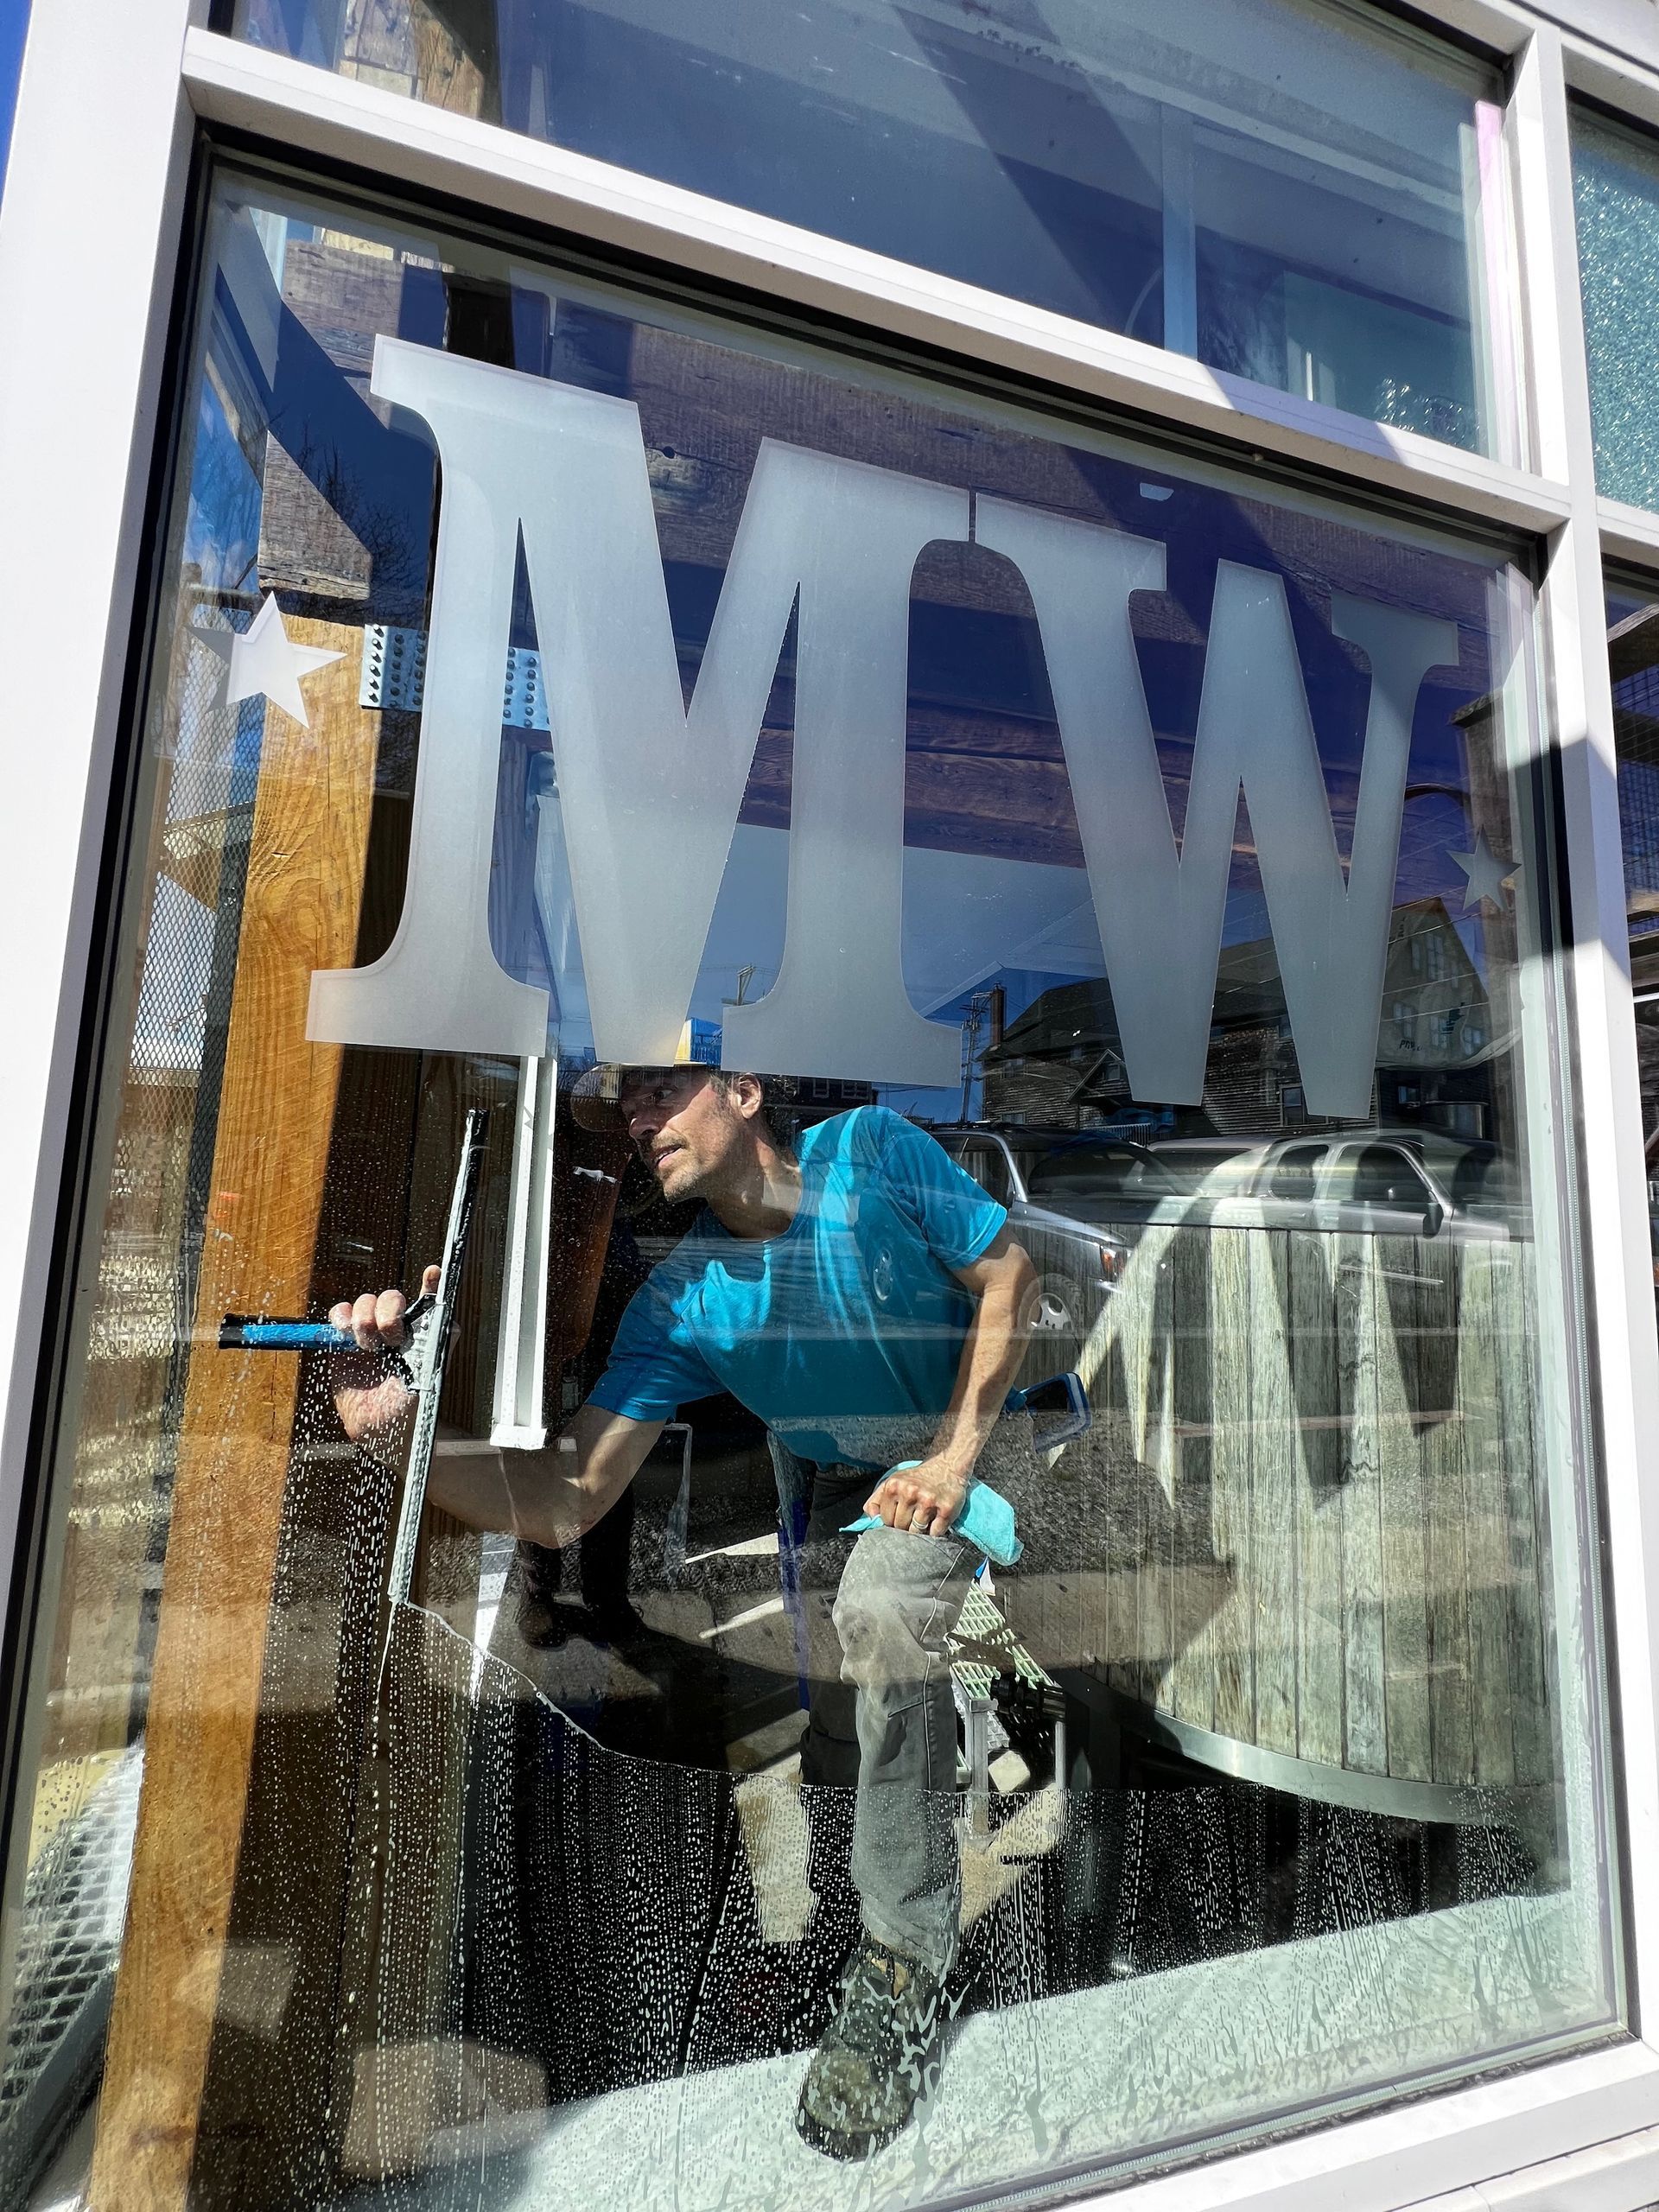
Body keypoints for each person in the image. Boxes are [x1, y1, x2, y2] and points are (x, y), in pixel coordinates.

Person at [329, 1061, 1038, 2160]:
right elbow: (567, 1495)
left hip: (974, 1436)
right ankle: (887, 1859)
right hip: (839, 1486)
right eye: (625, 1106)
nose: (635, 1117)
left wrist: (949, 1460)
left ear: (743, 1090)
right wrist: (402, 1435)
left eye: (660, 1088)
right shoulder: (683, 1299)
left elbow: (1011, 1276)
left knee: (886, 1607)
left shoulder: (871, 1149)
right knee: (853, 1693)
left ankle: (907, 1961)